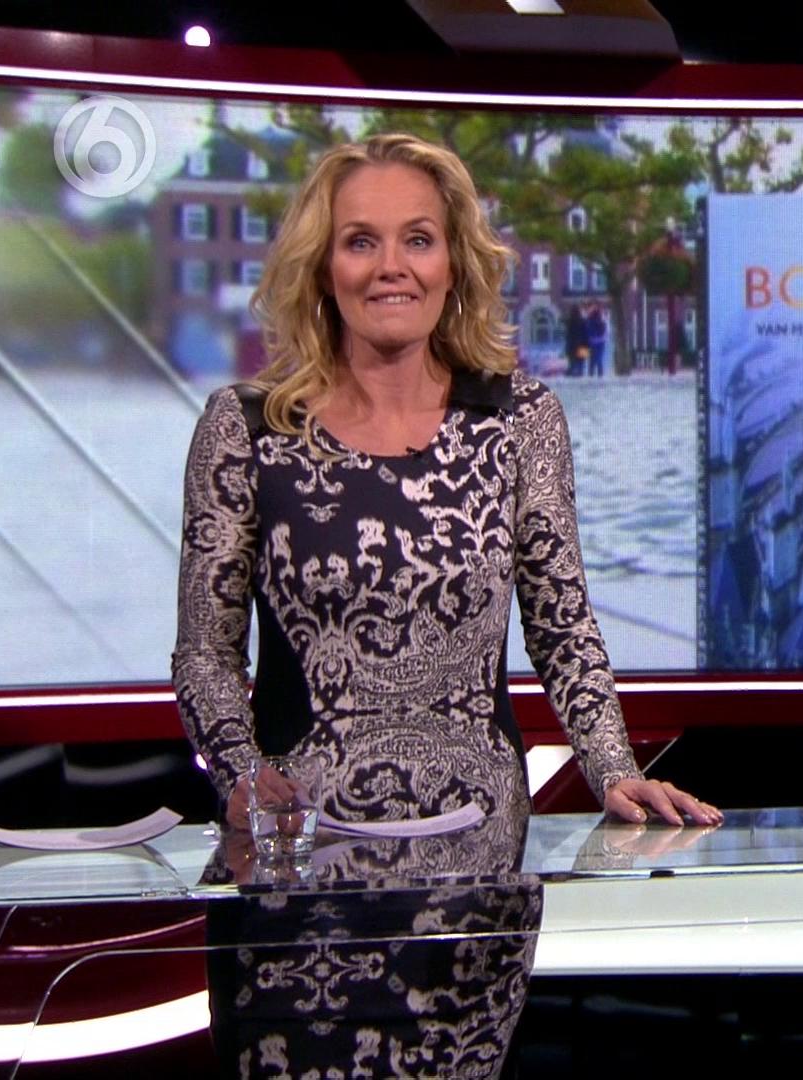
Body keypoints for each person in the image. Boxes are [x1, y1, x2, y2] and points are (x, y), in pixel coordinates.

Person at [173, 133, 720, 854]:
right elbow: (205, 654)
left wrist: (614, 769)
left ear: (453, 262)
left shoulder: (520, 419)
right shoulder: (247, 428)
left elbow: (562, 627)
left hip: (479, 844)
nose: (391, 267)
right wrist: (241, 772)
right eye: (360, 242)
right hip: (302, 848)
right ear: (323, 266)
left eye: (418, 240)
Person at [564, 301, 588, 376]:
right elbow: (586, 334)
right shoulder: (583, 321)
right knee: (581, 364)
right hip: (583, 345)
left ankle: (571, 375)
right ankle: (579, 376)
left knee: (572, 363)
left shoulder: (569, 322)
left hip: (572, 346)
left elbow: (568, 335)